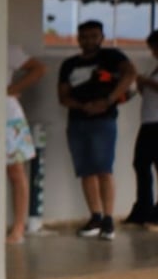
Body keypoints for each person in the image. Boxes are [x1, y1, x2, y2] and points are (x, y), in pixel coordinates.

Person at [57, 20, 137, 241]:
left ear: (101, 37)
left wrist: (107, 101)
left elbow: (130, 75)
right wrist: (82, 106)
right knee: (86, 170)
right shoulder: (69, 64)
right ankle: (95, 216)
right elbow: (63, 96)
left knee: (103, 169)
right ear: (78, 38)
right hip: (77, 121)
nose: (89, 40)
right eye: (84, 36)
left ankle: (109, 220)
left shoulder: (112, 57)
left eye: (94, 36)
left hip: (104, 121)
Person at [6, 45, 46, 243]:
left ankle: (18, 228)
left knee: (15, 171)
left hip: (8, 117)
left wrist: (12, 90)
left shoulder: (6, 49)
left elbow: (38, 68)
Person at [124, 30, 158, 231]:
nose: (153, 52)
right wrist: (141, 84)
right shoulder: (155, 69)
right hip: (149, 121)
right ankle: (143, 208)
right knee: (141, 163)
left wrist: (146, 82)